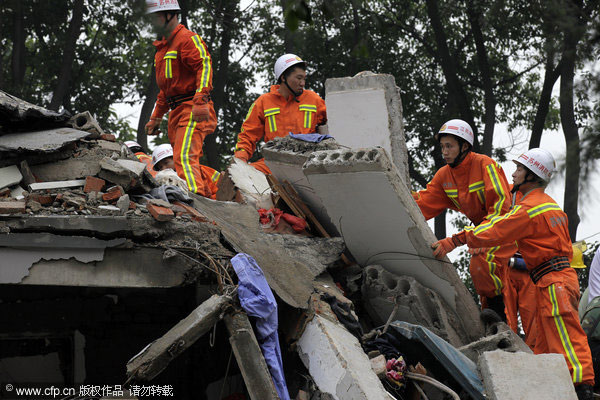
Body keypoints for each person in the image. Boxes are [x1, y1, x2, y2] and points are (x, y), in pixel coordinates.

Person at [432, 148, 595, 398]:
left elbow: (496, 229)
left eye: (519, 169)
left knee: (564, 333)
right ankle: (558, 385)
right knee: (545, 340)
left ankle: (582, 385)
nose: (514, 173)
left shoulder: (531, 208)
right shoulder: (546, 205)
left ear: (532, 175)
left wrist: (455, 240)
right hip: (550, 279)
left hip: (553, 280)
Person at [412, 119, 515, 319]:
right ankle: (498, 323)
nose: (444, 151)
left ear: (465, 146)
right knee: (482, 272)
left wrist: (457, 239)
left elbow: (501, 211)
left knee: (482, 261)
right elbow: (423, 204)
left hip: (507, 228)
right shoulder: (444, 176)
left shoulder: (486, 164)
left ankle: (499, 316)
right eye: (442, 147)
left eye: (449, 146)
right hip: (484, 232)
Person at [144, 0, 217, 198]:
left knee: (184, 157)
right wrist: (156, 116)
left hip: (191, 108)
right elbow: (166, 90)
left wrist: (201, 99)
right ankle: (203, 196)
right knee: (181, 158)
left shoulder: (186, 39)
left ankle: (195, 200)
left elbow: (205, 65)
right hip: (176, 112)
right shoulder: (162, 49)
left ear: (170, 15)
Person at [233, 54, 327, 175]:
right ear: (283, 77)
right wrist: (239, 162)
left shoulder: (314, 100)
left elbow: (334, 123)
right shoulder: (263, 102)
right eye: (299, 78)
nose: (302, 83)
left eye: (304, 78)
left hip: (306, 163)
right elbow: (247, 135)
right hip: (274, 164)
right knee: (239, 176)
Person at [152, 143, 220, 198]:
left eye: (166, 163)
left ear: (176, 158)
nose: (164, 169)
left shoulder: (194, 171)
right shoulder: (168, 179)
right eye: (160, 167)